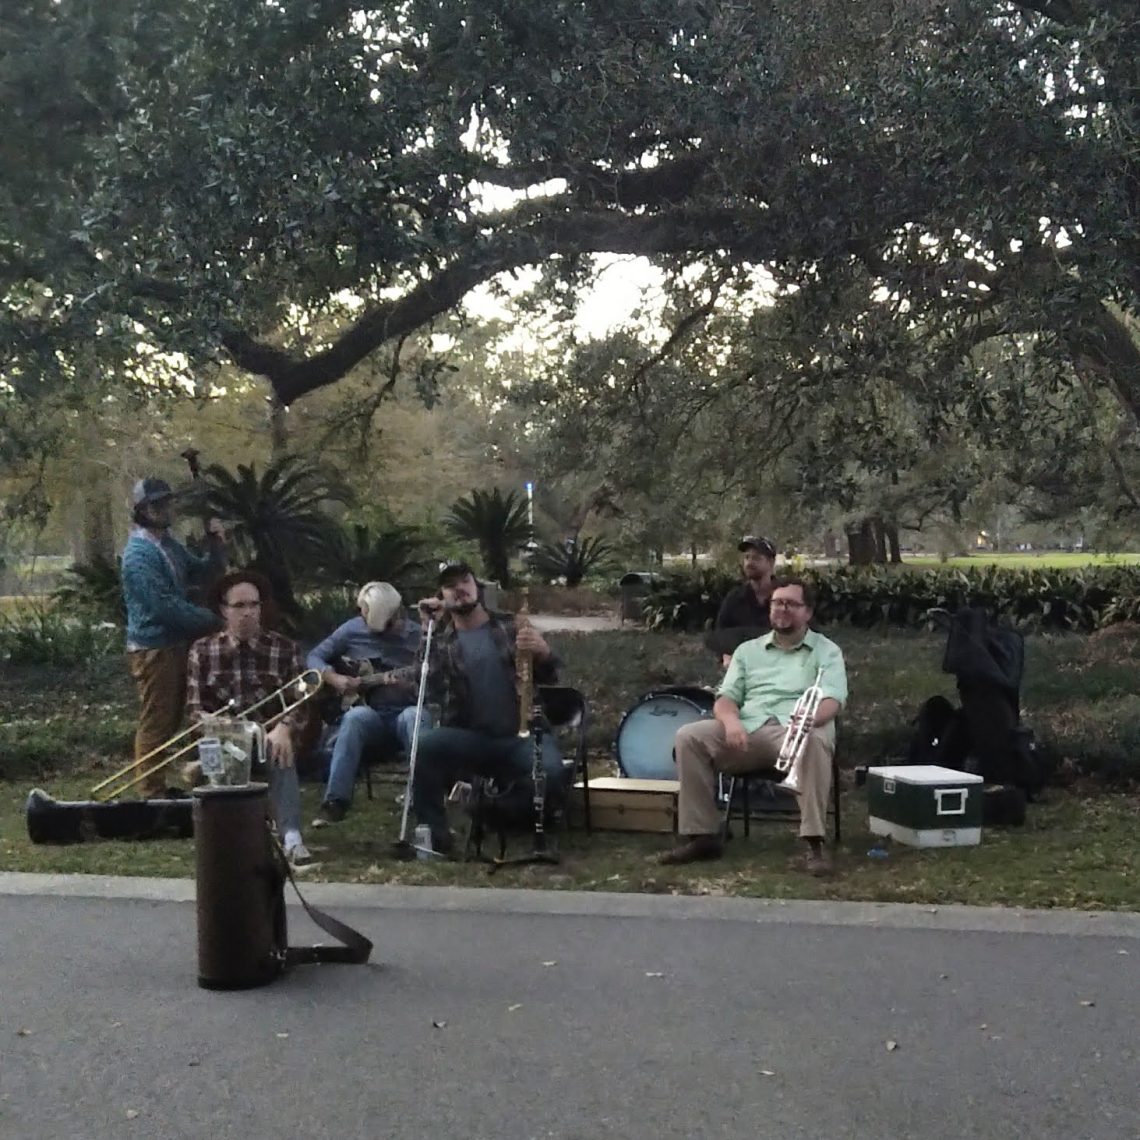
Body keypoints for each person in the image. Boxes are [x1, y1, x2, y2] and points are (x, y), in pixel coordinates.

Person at [661, 576, 847, 875]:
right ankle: (702, 836)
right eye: (777, 603)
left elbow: (832, 699)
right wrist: (731, 722)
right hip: (749, 729)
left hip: (797, 728)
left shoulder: (827, 651)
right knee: (689, 737)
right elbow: (726, 698)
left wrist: (808, 720)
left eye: (791, 604)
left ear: (808, 612)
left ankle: (814, 844)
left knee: (812, 740)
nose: (782, 609)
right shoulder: (748, 651)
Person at [411, 560, 563, 855]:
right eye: (450, 586)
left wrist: (544, 652)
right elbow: (425, 687)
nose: (460, 589)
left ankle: (492, 810)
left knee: (553, 774)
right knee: (425, 745)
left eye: (465, 581)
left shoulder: (509, 627)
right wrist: (427, 630)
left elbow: (551, 676)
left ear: (477, 587)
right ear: (442, 596)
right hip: (472, 738)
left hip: (522, 736)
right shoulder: (442, 640)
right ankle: (435, 835)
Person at [186, 570, 316, 866]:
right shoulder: (202, 651)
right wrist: (213, 724)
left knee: (280, 749)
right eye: (239, 606)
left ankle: (291, 837)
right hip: (222, 740)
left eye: (253, 605)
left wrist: (284, 727)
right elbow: (194, 710)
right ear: (224, 610)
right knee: (216, 753)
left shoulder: (285, 648)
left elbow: (302, 702)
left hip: (265, 740)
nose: (248, 613)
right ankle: (220, 838)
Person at [120, 476, 227, 794]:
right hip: (153, 649)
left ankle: (200, 781)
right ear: (142, 510)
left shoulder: (168, 545)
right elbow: (165, 607)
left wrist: (216, 543)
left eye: (168, 502)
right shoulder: (138, 555)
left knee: (190, 715)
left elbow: (204, 572)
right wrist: (215, 621)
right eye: (157, 504)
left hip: (176, 645)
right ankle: (151, 792)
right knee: (158, 721)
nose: (166, 508)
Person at [306, 581, 424, 823]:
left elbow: (438, 680)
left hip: (406, 712)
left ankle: (421, 799)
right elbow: (314, 656)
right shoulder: (352, 629)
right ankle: (335, 801)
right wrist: (334, 678)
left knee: (415, 716)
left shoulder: (420, 636)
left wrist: (412, 685)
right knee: (354, 718)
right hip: (371, 714)